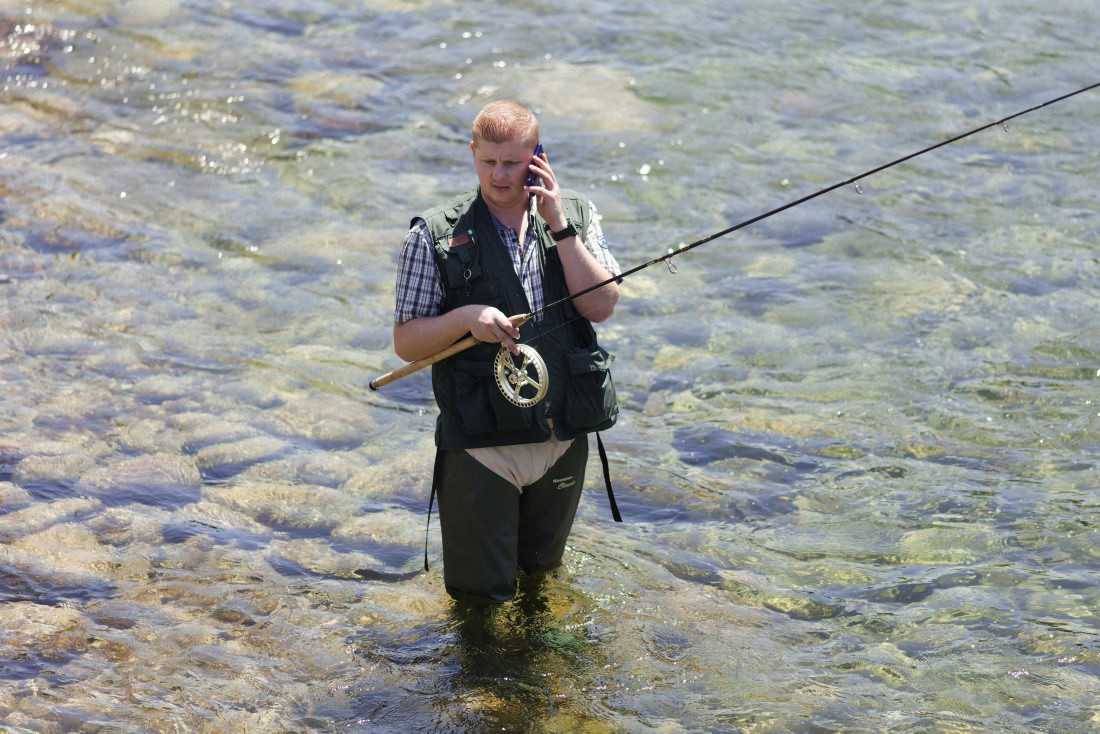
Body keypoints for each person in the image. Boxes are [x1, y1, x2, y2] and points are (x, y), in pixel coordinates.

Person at [392, 99, 622, 605]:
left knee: (543, 586)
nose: (499, 175)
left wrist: (559, 225)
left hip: (563, 438)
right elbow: (406, 340)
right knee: (479, 603)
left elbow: (602, 306)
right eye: (488, 161)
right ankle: (481, 685)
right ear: (473, 153)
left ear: (538, 158)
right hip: (482, 448)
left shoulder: (577, 216)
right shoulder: (431, 236)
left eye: (513, 163)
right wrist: (464, 319)